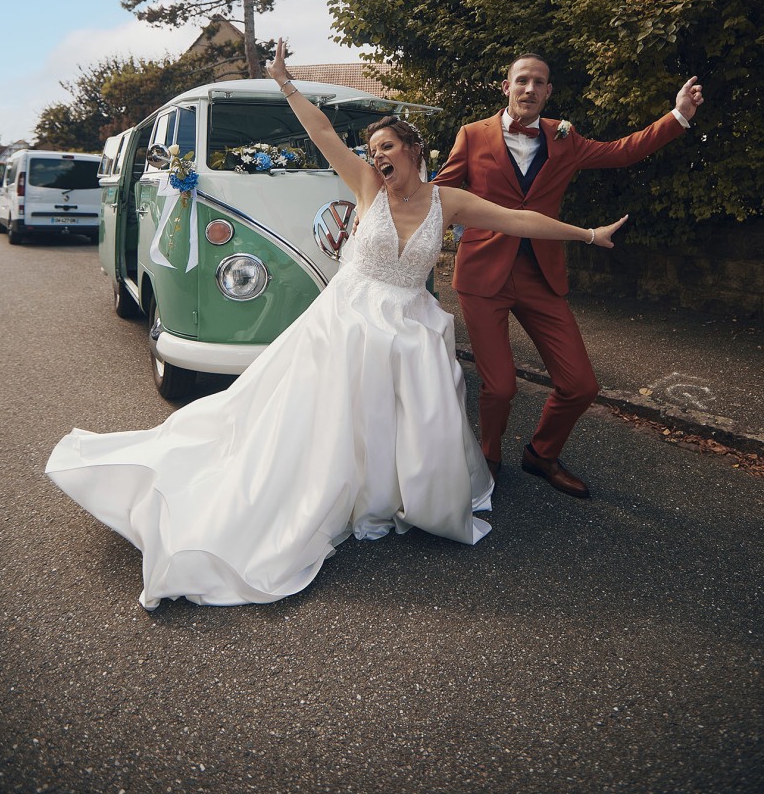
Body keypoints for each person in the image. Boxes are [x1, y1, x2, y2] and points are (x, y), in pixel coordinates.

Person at [45, 40, 627, 609]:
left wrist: (588, 234)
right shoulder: (367, 185)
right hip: (349, 317)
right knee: (333, 418)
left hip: (410, 324)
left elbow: (521, 219)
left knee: (404, 416)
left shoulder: (448, 202)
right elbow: (322, 133)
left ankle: (394, 492)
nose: (378, 157)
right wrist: (284, 83)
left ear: (412, 150)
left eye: (387, 147)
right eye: (373, 150)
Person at [434, 53, 704, 499]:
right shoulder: (472, 134)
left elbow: (623, 152)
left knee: (580, 385)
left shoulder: (565, 137)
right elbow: (439, 194)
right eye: (522, 80)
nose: (529, 89)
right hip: (483, 275)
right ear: (506, 87)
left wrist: (678, 115)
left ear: (548, 91)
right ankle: (488, 457)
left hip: (541, 275)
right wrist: (389, 221)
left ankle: (541, 454)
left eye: (539, 82)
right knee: (499, 387)